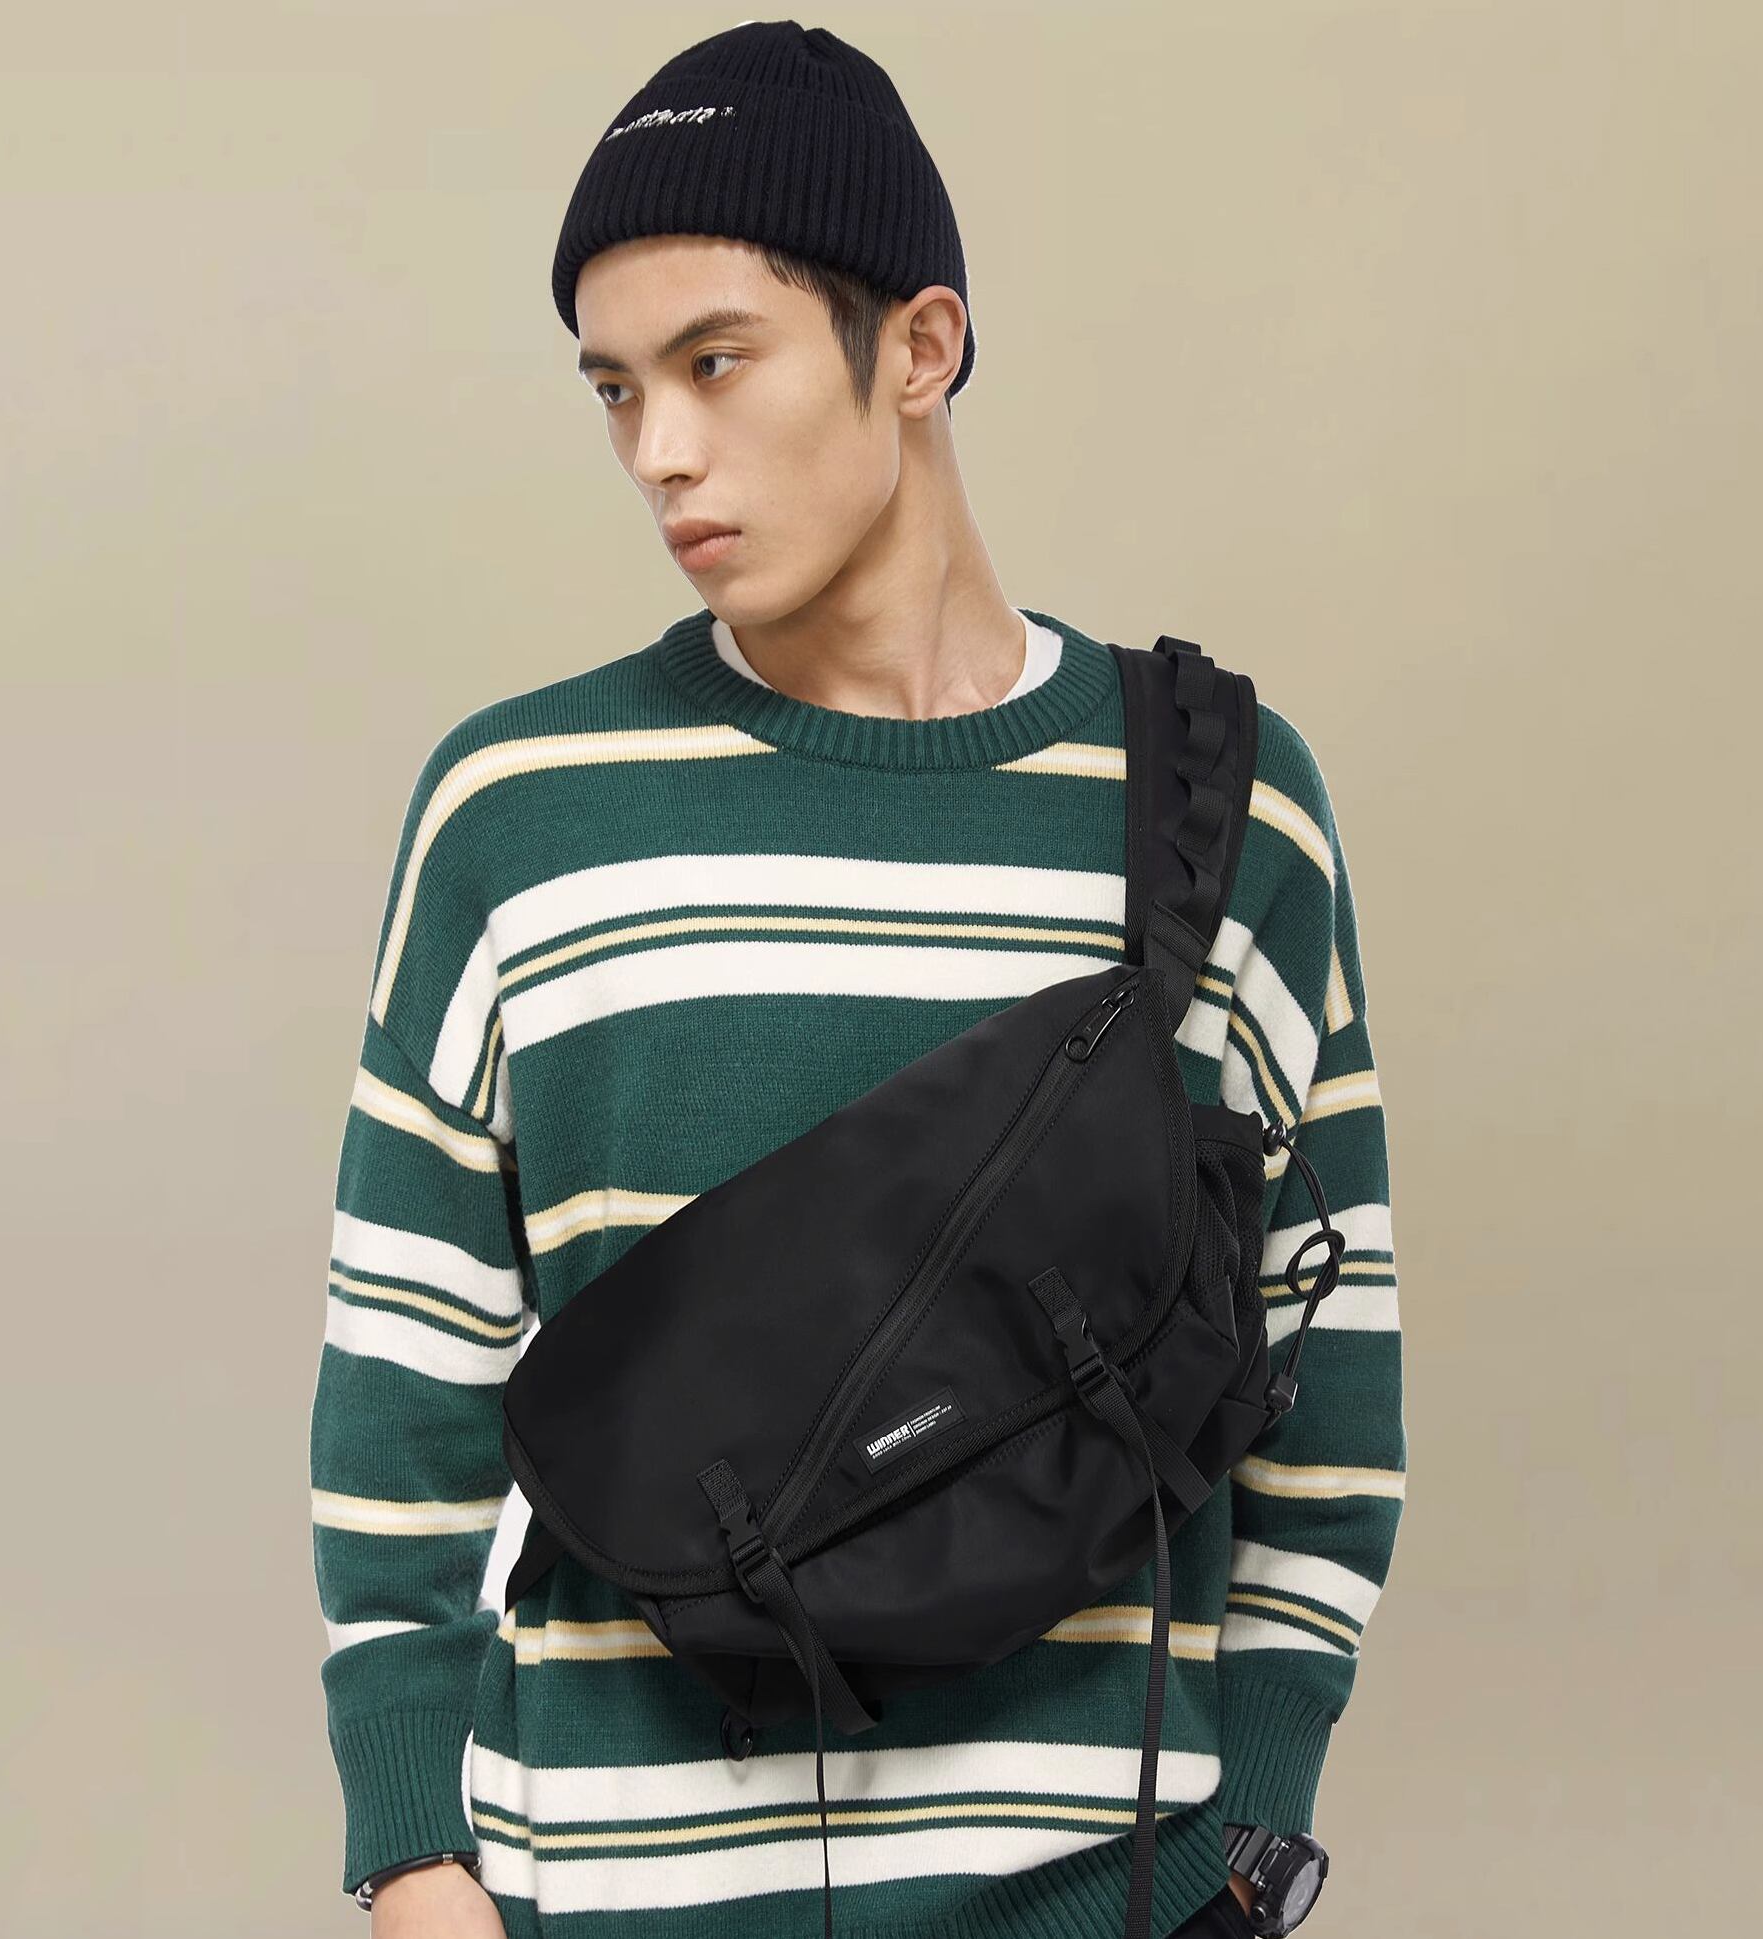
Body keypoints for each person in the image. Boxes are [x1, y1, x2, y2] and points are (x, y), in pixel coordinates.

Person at [306, 21, 1406, 1938]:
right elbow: (403, 1405)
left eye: (716, 362)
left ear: (919, 345)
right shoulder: (521, 816)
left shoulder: (1220, 813)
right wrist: (415, 1868)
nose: (660, 451)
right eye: (615, 389)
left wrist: (1243, 1852)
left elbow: (1331, 1383)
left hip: (1112, 1899)